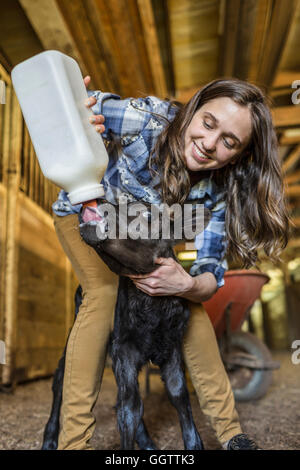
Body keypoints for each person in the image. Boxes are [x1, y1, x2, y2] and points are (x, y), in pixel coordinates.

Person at [52, 76, 289, 450]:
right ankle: (72, 445)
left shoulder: (218, 191)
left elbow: (210, 269)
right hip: (89, 218)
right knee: (104, 293)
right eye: (208, 123)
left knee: (187, 308)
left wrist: (189, 287)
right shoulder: (146, 120)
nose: (210, 144)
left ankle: (231, 436)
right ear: (194, 108)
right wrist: (81, 114)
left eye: (229, 142)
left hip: (145, 234)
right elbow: (77, 105)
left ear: (240, 155)